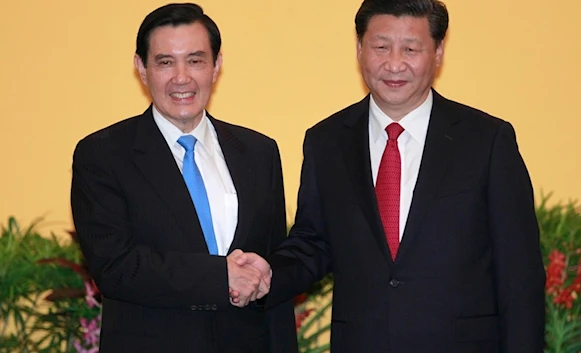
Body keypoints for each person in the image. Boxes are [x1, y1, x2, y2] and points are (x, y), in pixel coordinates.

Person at [233, 0, 546, 352]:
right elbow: (314, 243)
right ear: (359, 49)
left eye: (411, 49)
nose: (394, 64)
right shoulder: (327, 141)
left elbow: (520, 276)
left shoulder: (487, 141)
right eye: (381, 47)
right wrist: (267, 273)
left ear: (439, 51)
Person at [70, 3, 297, 353]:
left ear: (216, 65)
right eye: (165, 62)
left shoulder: (259, 152)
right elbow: (115, 267)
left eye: (195, 60)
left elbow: (271, 271)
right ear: (141, 68)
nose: (182, 77)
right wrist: (220, 276)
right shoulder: (102, 155)